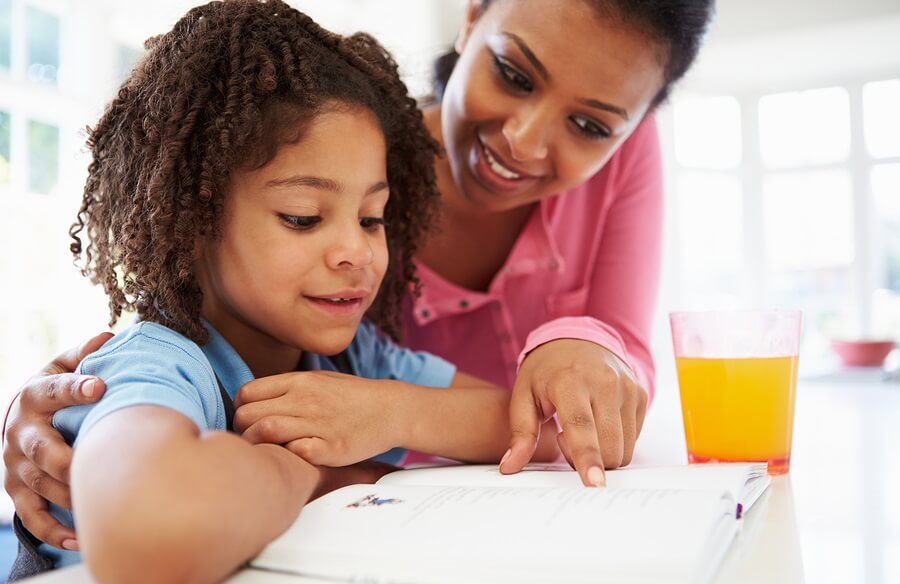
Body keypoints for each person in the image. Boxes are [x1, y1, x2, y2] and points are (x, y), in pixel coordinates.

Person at [4, 0, 715, 556]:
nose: (356, 251)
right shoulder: (168, 366)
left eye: (376, 219)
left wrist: (379, 421)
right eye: (304, 217)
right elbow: (147, 537)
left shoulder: (357, 363)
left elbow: (553, 427)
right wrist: (306, 469)